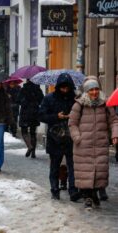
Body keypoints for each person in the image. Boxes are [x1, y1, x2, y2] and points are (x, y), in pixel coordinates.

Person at [68, 77, 118, 209]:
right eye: (91, 90)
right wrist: (78, 138)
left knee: (99, 172)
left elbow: (114, 121)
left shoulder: (105, 104)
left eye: (96, 89)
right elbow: (72, 124)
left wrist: (115, 134)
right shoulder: (79, 105)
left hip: (101, 143)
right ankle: (87, 197)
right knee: (86, 172)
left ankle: (94, 194)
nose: (94, 92)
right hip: (83, 145)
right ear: (86, 91)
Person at [39, 73, 79, 201]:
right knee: (55, 166)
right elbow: (41, 116)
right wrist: (57, 116)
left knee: (72, 166)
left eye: (67, 88)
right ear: (58, 87)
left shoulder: (75, 99)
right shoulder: (49, 98)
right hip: (55, 138)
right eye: (63, 88)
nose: (65, 90)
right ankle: (55, 190)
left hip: (70, 137)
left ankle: (73, 190)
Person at [17, 79, 44, 158]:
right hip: (34, 113)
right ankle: (33, 153)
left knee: (24, 131)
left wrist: (24, 101)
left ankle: (29, 146)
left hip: (25, 112)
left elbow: (18, 100)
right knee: (33, 133)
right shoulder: (38, 90)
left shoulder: (23, 89)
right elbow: (42, 101)